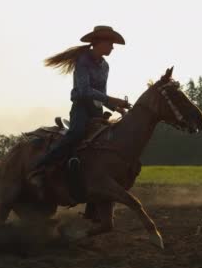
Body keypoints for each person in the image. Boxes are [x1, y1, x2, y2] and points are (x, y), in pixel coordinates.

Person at [27, 26, 131, 197]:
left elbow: (102, 94)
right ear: (99, 42)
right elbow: (83, 91)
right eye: (110, 43)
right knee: (76, 133)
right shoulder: (82, 61)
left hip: (96, 110)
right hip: (81, 108)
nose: (113, 47)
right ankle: (39, 169)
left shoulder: (105, 66)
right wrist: (112, 100)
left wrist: (116, 108)